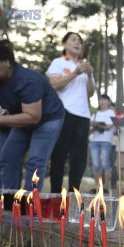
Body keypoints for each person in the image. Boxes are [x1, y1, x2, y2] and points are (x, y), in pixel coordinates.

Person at [0, 38, 65, 191]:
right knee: (7, 158)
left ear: (6, 61)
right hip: (22, 119)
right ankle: (9, 202)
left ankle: (29, 206)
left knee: (35, 162)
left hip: (48, 119)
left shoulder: (27, 79)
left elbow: (33, 117)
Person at [46, 32, 95, 193]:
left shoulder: (84, 65)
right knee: (59, 156)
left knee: (79, 158)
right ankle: (55, 194)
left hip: (83, 115)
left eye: (80, 41)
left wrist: (88, 74)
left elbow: (90, 93)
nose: (78, 43)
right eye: (73, 40)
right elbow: (54, 85)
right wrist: (75, 73)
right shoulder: (58, 62)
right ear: (64, 44)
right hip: (64, 112)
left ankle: (74, 195)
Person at [89, 94, 115, 194]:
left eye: (104, 100)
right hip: (94, 140)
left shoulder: (111, 113)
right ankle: (97, 186)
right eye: (101, 100)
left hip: (105, 140)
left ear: (108, 102)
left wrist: (98, 124)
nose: (102, 102)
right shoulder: (95, 114)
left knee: (105, 163)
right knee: (95, 164)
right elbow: (91, 128)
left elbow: (109, 127)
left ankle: (106, 186)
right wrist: (95, 126)